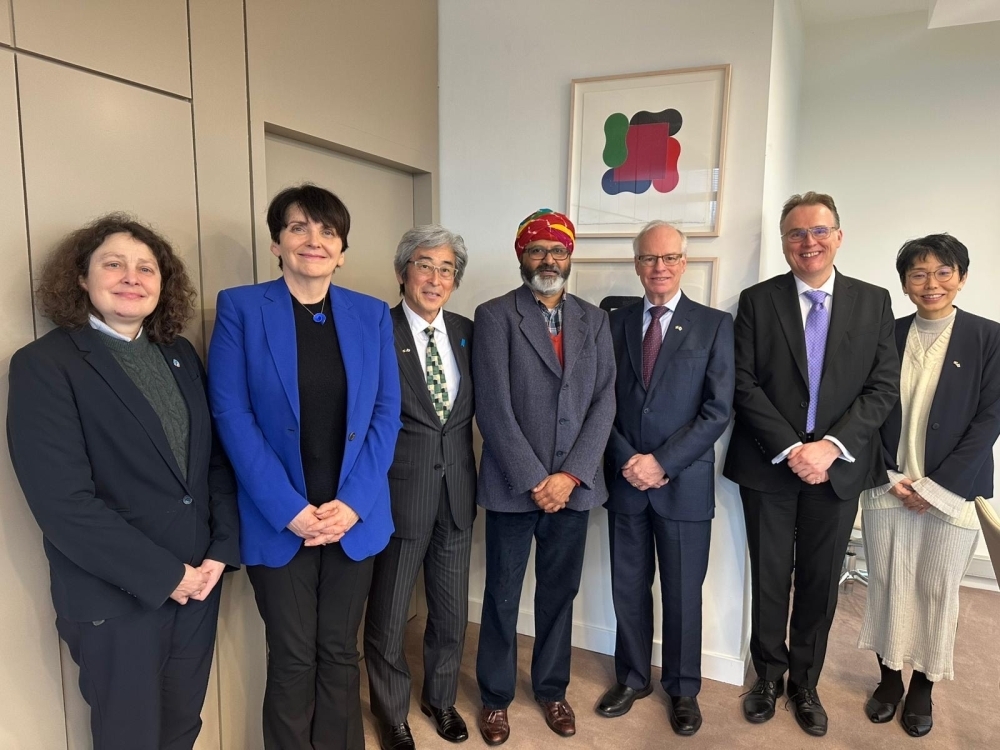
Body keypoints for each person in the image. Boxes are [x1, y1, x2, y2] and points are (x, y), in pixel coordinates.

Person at [6, 214, 240, 750]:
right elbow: (63, 505)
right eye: (113, 264)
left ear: (164, 285)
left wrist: (219, 554)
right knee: (128, 737)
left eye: (146, 267)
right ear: (81, 279)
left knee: (182, 726)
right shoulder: (44, 365)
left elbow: (213, 466)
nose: (131, 276)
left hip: (197, 585)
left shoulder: (179, 355)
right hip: (116, 597)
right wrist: (166, 575)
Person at [207, 184, 401, 750]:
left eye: (327, 232)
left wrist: (354, 504)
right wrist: (289, 509)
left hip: (352, 518)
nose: (313, 240)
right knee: (292, 659)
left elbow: (387, 414)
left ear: (341, 250)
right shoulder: (241, 308)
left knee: (342, 655)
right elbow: (231, 413)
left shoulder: (369, 314)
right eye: (298, 228)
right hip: (278, 519)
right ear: (276, 242)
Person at [722, 192, 899, 737]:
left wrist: (830, 447)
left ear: (839, 237)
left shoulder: (874, 302)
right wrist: (792, 448)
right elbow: (743, 382)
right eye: (797, 234)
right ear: (784, 243)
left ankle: (805, 682)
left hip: (838, 468)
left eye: (819, 231)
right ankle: (768, 678)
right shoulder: (757, 300)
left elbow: (882, 386)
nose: (809, 243)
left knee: (821, 583)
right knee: (771, 577)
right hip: (769, 466)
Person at [473, 208, 616, 746]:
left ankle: (552, 689)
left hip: (573, 489)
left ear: (570, 257)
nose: (548, 259)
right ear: (521, 256)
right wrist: (537, 477)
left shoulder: (594, 319)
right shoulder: (493, 316)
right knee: (503, 595)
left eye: (558, 251)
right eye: (537, 250)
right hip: (515, 485)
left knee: (559, 592)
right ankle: (494, 698)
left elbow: (605, 401)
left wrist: (571, 475)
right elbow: (493, 406)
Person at [858, 234, 1000, 737]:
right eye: (918, 274)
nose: (931, 283)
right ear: (904, 283)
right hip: (887, 487)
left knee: (936, 592)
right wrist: (891, 476)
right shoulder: (885, 334)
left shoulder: (989, 337)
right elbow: (864, 412)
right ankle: (889, 679)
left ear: (961, 277)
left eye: (943, 272)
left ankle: (922, 688)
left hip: (953, 495)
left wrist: (935, 488)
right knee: (889, 586)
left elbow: (989, 420)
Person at [598, 221, 734, 736]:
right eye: (650, 259)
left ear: (685, 263)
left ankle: (683, 688)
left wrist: (662, 462)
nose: (660, 267)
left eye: (670, 258)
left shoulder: (714, 324)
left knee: (681, 593)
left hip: (683, 484)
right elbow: (600, 402)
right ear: (637, 264)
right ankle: (632, 677)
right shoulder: (612, 322)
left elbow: (717, 411)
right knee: (627, 587)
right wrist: (629, 457)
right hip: (626, 478)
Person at [364, 225, 476, 750]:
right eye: (425, 265)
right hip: (397, 497)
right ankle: (392, 715)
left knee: (451, 613)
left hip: (457, 497)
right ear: (403, 271)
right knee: (387, 618)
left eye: (446, 269)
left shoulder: (466, 331)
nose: (435, 278)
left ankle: (441, 699)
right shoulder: (374, 331)